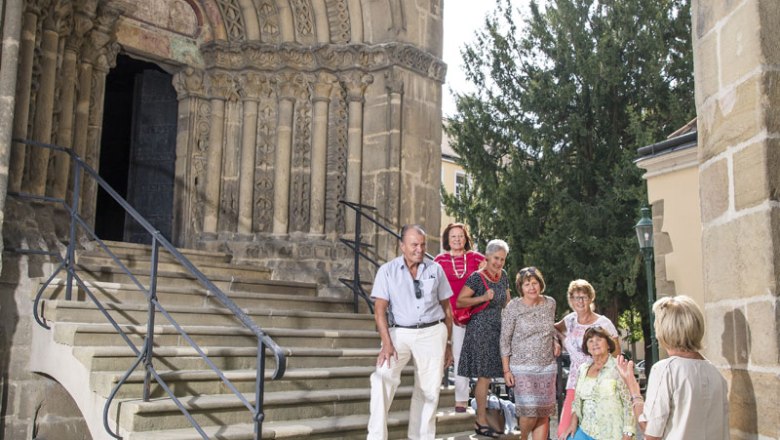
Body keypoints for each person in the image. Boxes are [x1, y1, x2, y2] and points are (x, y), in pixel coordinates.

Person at [367, 224, 455, 440]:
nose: (420, 249)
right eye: (414, 245)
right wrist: (387, 343)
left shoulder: (436, 269)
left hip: (432, 332)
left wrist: (448, 343)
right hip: (399, 333)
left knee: (428, 391)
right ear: (402, 246)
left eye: (423, 245)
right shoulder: (387, 271)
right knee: (381, 379)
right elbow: (379, 311)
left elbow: (447, 309)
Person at [616, 295, 729, 440]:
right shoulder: (715, 373)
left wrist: (632, 387)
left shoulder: (665, 370)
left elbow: (650, 430)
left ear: (664, 330)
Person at [456, 239, 510, 437]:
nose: (499, 263)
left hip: (497, 330)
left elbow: (508, 302)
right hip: (479, 331)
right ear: (487, 257)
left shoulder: (503, 276)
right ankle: (480, 420)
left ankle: (483, 418)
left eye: (502, 259)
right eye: (496, 258)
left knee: (489, 376)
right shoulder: (476, 278)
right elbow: (460, 301)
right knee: (484, 376)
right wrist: (483, 298)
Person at [554, 279, 620, 439]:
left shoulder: (603, 323)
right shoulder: (570, 320)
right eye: (576, 297)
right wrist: (557, 341)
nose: (580, 301)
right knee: (564, 431)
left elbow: (616, 353)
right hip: (575, 382)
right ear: (571, 300)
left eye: (584, 297)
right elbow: (553, 329)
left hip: (597, 382)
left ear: (591, 298)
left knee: (595, 431)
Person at [500, 267, 560, 440]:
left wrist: (555, 340)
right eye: (527, 284)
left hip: (547, 367)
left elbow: (551, 328)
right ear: (521, 287)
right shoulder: (513, 306)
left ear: (540, 284)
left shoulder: (550, 303)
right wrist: (506, 370)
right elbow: (504, 339)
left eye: (534, 283)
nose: (532, 287)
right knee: (529, 412)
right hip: (522, 368)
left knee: (543, 413)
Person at [433, 222, 486, 413]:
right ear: (447, 239)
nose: (457, 239)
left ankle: (461, 401)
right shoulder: (439, 260)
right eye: (453, 236)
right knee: (438, 356)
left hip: (467, 315)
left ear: (466, 239)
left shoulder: (475, 258)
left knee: (460, 356)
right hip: (444, 315)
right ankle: (431, 397)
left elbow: (491, 275)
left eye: (460, 236)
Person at [560, 326, 634, 440]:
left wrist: (628, 433)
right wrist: (572, 423)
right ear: (587, 349)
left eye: (599, 339)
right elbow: (577, 401)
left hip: (613, 434)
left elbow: (629, 403)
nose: (595, 343)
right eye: (590, 341)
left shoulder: (619, 367)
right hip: (585, 430)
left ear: (608, 345)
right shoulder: (582, 369)